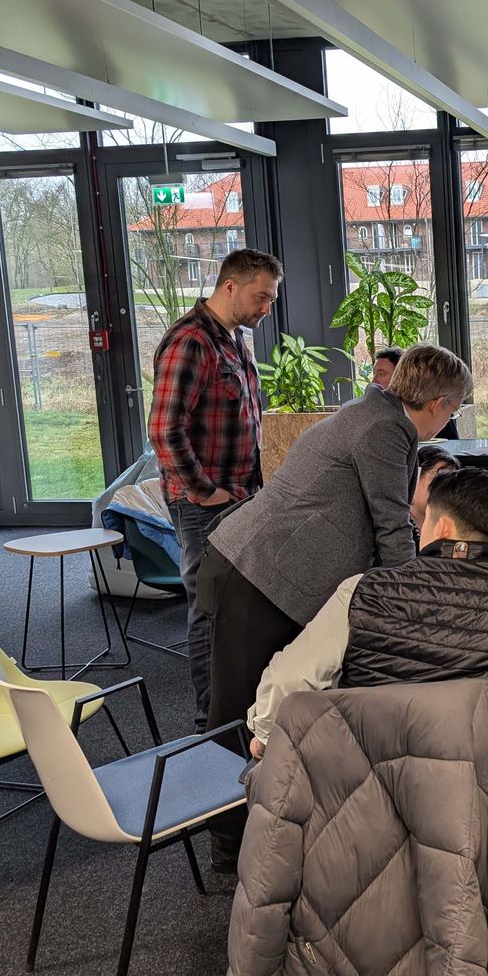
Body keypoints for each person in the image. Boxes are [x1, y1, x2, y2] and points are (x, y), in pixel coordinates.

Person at [201, 343, 470, 769]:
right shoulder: (384, 428)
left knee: (268, 706)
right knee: (238, 713)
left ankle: (258, 799)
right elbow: (390, 523)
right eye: (453, 410)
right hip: (257, 572)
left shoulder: (376, 414)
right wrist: (419, 599)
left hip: (270, 569)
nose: (448, 420)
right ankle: (225, 809)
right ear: (438, 404)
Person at [245, 466, 488, 757]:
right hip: (480, 796)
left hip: (365, 788)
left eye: (424, 520)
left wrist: (266, 734)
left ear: (442, 527)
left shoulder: (363, 590)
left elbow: (289, 679)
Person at [146, 247, 282, 733]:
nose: (267, 308)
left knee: (234, 608)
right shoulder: (190, 341)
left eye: (271, 299)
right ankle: (210, 727)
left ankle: (234, 713)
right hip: (204, 504)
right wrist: (204, 491)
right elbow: (164, 430)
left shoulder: (234, 338)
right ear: (230, 286)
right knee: (209, 610)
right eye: (261, 297)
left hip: (240, 495)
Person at [372, 346, 458, 438]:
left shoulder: (432, 409)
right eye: (374, 374)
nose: (373, 381)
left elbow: (452, 443)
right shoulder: (376, 411)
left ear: (401, 377)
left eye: (382, 374)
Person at [411, 444, 461, 534]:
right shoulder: (396, 525)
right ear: (415, 478)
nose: (448, 487)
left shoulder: (454, 526)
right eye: (440, 478)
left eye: (452, 481)